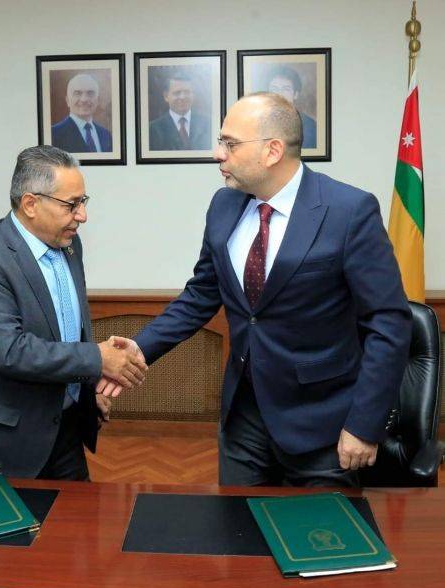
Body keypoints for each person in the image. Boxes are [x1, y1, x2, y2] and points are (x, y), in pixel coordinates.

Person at [100, 93, 411, 487]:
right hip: (244, 420)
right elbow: (201, 295)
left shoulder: (348, 211)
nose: (218, 154)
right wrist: (139, 349)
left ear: (272, 151)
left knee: (321, 528)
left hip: (324, 426)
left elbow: (388, 323)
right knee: (237, 525)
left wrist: (364, 425)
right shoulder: (223, 205)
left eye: (230, 143)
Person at [0, 145, 147, 480]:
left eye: (83, 201)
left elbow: (67, 328)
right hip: (6, 440)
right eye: (71, 205)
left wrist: (85, 391)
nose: (82, 215)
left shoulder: (69, 243)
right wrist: (98, 359)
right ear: (31, 204)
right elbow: (11, 351)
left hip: (66, 428)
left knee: (80, 516)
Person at [149, 73, 211, 151]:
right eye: (177, 93)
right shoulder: (153, 129)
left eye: (187, 92)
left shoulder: (208, 123)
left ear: (193, 95)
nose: (182, 97)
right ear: (166, 96)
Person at [51, 74, 113, 153]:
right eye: (77, 93)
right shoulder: (54, 134)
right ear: (67, 101)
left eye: (90, 93)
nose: (84, 99)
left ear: (97, 100)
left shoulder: (106, 135)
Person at [266, 65, 317, 149]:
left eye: (286, 89)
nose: (280, 94)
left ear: (295, 94)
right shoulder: (257, 123)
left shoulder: (309, 126)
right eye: (274, 88)